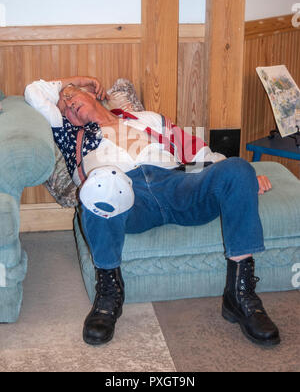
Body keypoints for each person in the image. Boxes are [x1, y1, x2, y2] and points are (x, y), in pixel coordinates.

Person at [24, 76, 280, 348]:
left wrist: (240, 179)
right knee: (102, 181)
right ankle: (109, 293)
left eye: (72, 96)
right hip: (128, 196)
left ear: (92, 95)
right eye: (63, 105)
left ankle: (240, 296)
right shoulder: (71, 134)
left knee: (238, 168)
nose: (68, 105)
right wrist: (75, 81)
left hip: (175, 182)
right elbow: (34, 92)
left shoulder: (147, 119)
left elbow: (195, 153)